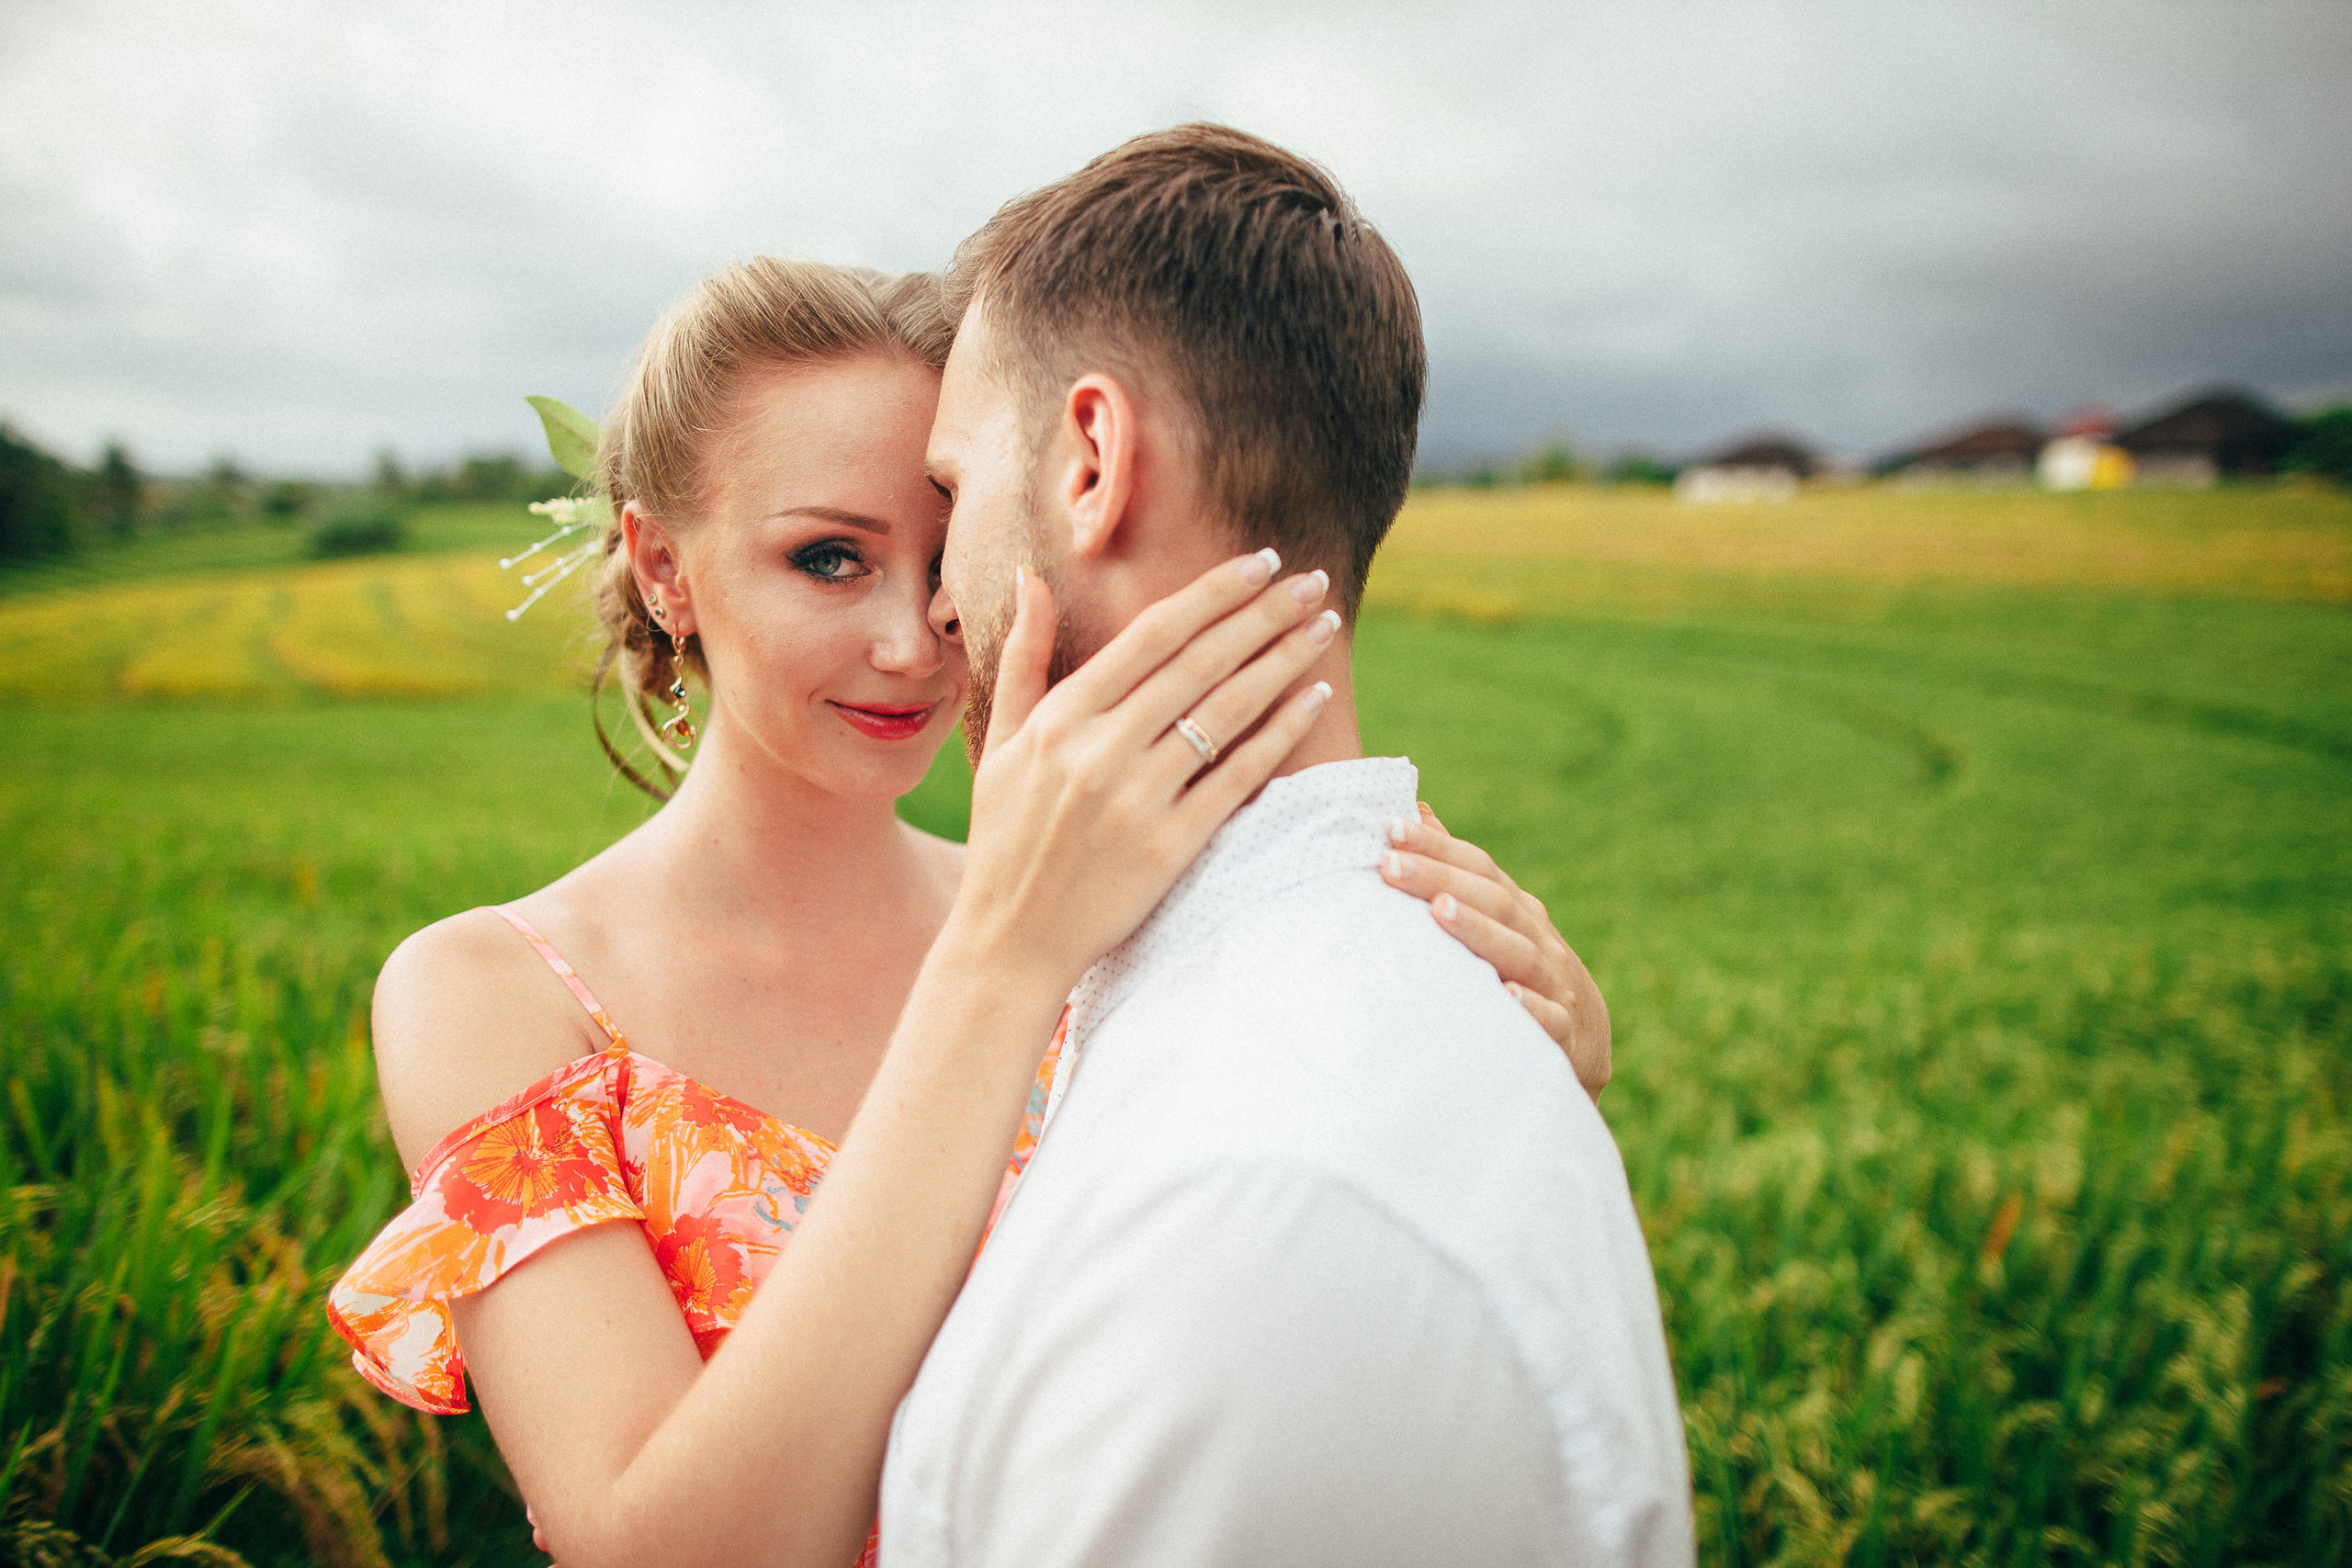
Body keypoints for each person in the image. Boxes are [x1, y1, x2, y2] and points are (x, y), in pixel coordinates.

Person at [327, 255, 1609, 1568]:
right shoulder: (489, 996)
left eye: (948, 556)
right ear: (664, 568)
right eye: (830, 559)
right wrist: (999, 964)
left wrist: (1496, 1067)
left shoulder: (1101, 910)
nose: (916, 638)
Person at [881, 125, 1693, 1566]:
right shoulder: (1357, 1018)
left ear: (1089, 463)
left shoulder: (1244, 1209)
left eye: (952, 496)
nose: (937, 604)